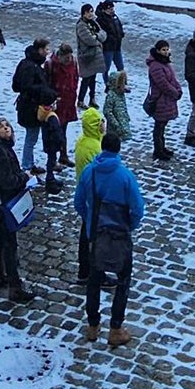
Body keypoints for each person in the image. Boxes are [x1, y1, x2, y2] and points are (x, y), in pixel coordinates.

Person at [74, 130, 145, 345]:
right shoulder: (125, 176)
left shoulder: (89, 172)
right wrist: (129, 226)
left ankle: (93, 326)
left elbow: (78, 203)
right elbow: (137, 209)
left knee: (94, 281)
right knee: (123, 282)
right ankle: (115, 328)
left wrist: (89, 225)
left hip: (96, 236)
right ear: (118, 149)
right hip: (120, 236)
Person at [0, 117, 37, 302]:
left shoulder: (5, 149)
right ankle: (14, 286)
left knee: (1, 241)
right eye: (1, 127)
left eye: (7, 126)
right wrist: (24, 177)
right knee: (9, 244)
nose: (6, 129)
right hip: (4, 204)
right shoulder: (0, 152)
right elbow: (6, 181)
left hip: (2, 203)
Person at [72, 106, 105, 286]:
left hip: (86, 194)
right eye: (100, 122)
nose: (103, 125)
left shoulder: (86, 140)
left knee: (87, 233)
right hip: (92, 197)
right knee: (92, 236)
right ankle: (90, 272)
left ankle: (85, 270)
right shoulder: (93, 147)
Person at [13, 38, 53, 171]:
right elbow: (26, 87)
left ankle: (28, 163)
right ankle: (27, 164)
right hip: (31, 107)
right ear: (40, 50)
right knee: (31, 137)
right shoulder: (31, 66)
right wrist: (45, 91)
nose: (48, 52)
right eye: (46, 49)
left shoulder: (27, 63)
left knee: (31, 136)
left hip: (28, 106)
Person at [143, 39, 182, 162]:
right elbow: (163, 84)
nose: (166, 52)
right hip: (160, 100)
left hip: (167, 99)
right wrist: (175, 92)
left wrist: (178, 89)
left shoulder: (165, 63)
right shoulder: (155, 66)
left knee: (162, 126)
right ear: (158, 50)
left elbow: (173, 79)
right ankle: (158, 150)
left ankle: (162, 148)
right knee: (159, 126)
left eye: (167, 49)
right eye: (163, 50)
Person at [74, 4, 107, 108]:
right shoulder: (81, 25)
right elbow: (89, 40)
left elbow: (103, 34)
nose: (90, 14)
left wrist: (97, 36)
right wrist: (97, 39)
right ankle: (80, 100)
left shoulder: (93, 23)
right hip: (86, 56)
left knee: (93, 78)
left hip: (95, 56)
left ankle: (92, 99)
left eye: (91, 11)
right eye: (88, 12)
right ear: (83, 13)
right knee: (86, 79)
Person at [38, 93, 66, 193]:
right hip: (53, 143)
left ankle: (51, 178)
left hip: (47, 142)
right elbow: (57, 131)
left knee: (51, 160)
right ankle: (50, 180)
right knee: (51, 161)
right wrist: (61, 142)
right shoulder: (51, 117)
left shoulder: (42, 112)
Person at [48, 43, 80, 128]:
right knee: (54, 128)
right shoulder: (51, 64)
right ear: (60, 56)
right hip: (55, 102)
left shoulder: (73, 62)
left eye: (70, 57)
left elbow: (76, 78)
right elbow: (47, 82)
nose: (69, 59)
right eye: (66, 58)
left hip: (69, 101)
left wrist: (73, 89)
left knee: (64, 127)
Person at [95, 0, 126, 74]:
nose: (112, 10)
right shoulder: (101, 19)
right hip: (108, 48)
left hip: (117, 46)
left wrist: (121, 34)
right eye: (110, 9)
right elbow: (101, 33)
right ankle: (107, 84)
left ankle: (122, 83)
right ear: (105, 10)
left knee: (120, 67)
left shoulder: (114, 17)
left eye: (112, 8)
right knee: (106, 68)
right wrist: (110, 38)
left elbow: (119, 26)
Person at [103, 67, 133, 142]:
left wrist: (126, 118)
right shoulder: (111, 95)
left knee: (118, 143)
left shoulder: (120, 94)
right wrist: (116, 124)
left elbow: (123, 107)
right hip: (114, 127)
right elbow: (107, 111)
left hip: (122, 124)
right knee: (112, 144)